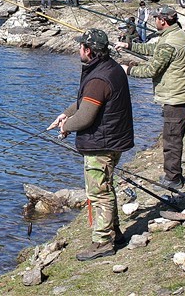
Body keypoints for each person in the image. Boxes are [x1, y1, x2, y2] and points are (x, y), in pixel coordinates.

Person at [47, 29, 134, 261]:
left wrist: (66, 128)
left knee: (98, 194)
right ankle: (116, 234)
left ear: (88, 50)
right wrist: (64, 115)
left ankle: (103, 242)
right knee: (106, 188)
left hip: (102, 144)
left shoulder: (98, 78)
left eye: (81, 47)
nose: (78, 50)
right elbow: (84, 104)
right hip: (113, 140)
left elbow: (85, 117)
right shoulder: (110, 68)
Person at [117, 6, 185, 190]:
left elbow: (151, 70)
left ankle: (173, 179)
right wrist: (129, 45)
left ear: (162, 20)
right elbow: (154, 49)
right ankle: (172, 174)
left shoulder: (170, 42)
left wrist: (126, 70)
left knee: (171, 139)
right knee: (173, 136)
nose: (154, 21)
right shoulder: (174, 34)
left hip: (177, 97)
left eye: (156, 18)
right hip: (180, 94)